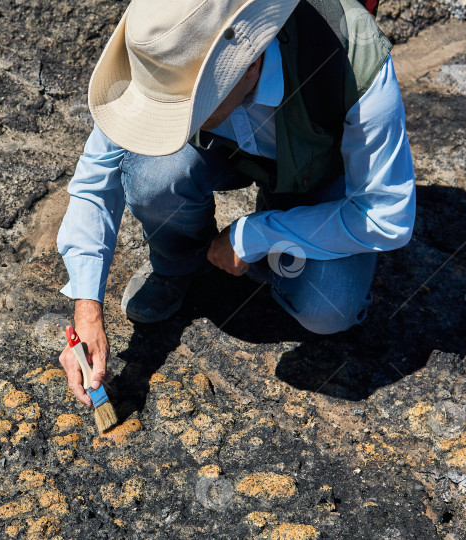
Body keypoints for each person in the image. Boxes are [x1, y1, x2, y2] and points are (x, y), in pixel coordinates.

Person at [56, 0, 416, 407]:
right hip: (226, 151)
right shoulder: (167, 35)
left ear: (248, 67)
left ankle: (272, 245)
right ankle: (182, 265)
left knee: (328, 308)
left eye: (183, 111)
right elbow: (95, 178)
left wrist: (256, 234)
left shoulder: (352, 54)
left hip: (320, 168)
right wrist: (87, 311)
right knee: (151, 175)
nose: (165, 124)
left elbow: (388, 215)